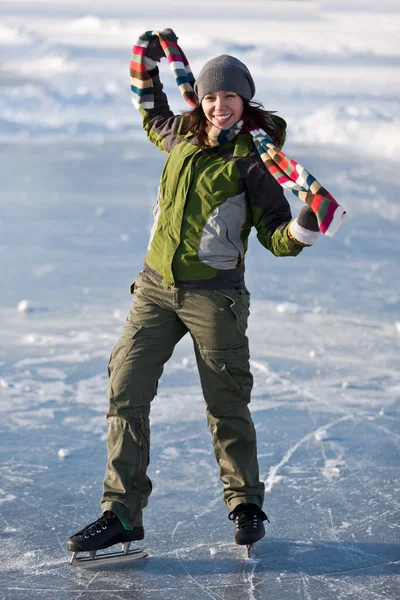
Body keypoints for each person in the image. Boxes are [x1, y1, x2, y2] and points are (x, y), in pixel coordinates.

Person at [66, 29, 324, 558]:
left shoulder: (256, 161)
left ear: (244, 100)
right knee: (125, 392)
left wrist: (304, 228)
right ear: (200, 100)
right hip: (155, 292)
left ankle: (245, 503)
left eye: (229, 96)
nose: (219, 105)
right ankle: (121, 515)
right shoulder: (181, 136)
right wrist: (146, 58)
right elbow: (149, 106)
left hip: (215, 300)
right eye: (210, 96)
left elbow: (277, 236)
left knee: (227, 403)